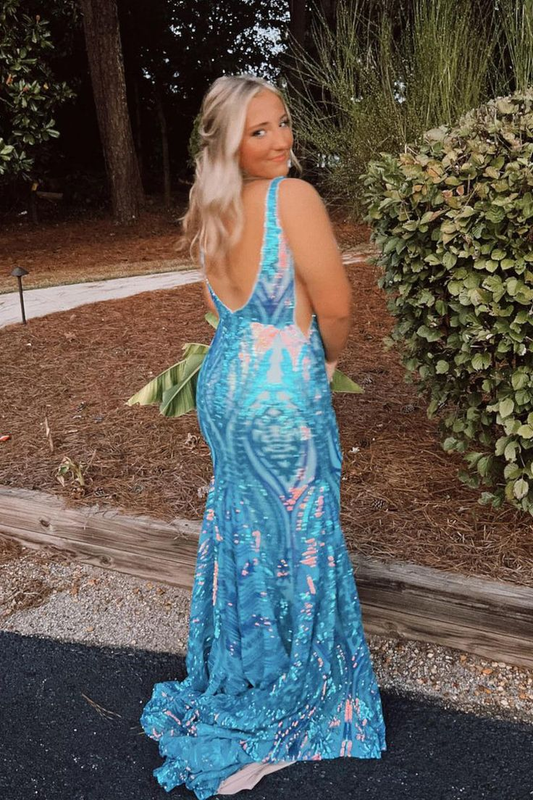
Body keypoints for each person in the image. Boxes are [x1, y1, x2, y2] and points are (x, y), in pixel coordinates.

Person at [139, 74, 387, 800]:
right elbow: (336, 306)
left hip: (224, 384)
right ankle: (296, 694)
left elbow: (227, 309)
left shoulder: (209, 210)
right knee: (300, 536)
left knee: (247, 532)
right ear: (228, 144)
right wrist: (327, 360)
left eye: (282, 123)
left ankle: (247, 666)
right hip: (280, 390)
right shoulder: (292, 198)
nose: (280, 140)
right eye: (259, 131)